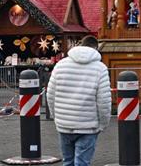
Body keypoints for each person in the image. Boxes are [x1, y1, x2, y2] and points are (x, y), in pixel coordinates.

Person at [46, 35, 111, 166]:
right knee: (82, 162)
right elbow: (103, 100)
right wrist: (103, 123)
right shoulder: (100, 68)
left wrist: (56, 117)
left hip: (64, 123)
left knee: (67, 161)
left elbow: (50, 94)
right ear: (96, 48)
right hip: (88, 124)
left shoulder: (60, 65)